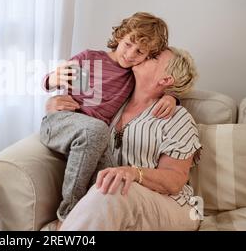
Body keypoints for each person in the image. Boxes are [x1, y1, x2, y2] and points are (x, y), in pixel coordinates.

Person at [40, 12, 178, 223]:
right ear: (120, 37)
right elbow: (54, 79)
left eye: (140, 52)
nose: (131, 54)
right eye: (128, 44)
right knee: (96, 129)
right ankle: (67, 213)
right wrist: (51, 81)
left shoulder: (133, 76)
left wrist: (171, 97)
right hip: (60, 122)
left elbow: (161, 85)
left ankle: (85, 223)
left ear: (147, 57)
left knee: (110, 184)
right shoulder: (89, 58)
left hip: (93, 138)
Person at [46, 47, 202, 231]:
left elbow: (175, 180)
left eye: (152, 56)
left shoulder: (177, 117)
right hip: (115, 198)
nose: (142, 54)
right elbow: (76, 107)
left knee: (113, 188)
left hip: (174, 206)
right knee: (108, 188)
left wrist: (134, 173)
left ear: (166, 79)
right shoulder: (112, 102)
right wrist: (55, 105)